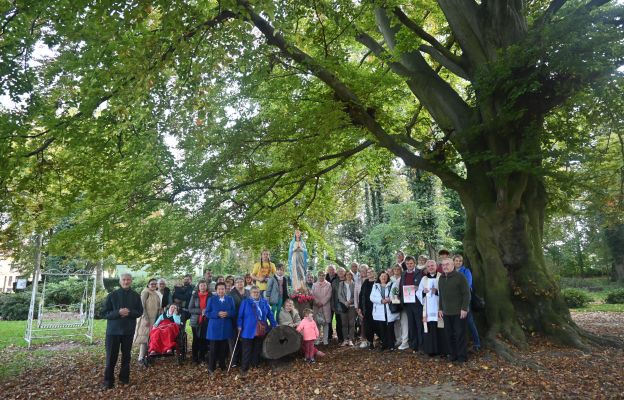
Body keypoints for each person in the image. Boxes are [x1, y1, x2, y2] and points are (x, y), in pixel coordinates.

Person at [102, 273, 143, 390]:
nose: (126, 282)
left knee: (126, 357)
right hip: (113, 331)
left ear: (131, 281)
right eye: (124, 280)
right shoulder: (112, 295)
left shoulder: (135, 296)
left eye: (128, 280)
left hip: (128, 331)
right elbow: (104, 313)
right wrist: (118, 313)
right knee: (111, 357)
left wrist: (129, 312)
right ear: (120, 281)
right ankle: (108, 381)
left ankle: (124, 378)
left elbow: (140, 312)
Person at [237, 286, 277, 377]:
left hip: (261, 329)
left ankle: (255, 365)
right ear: (250, 293)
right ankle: (244, 368)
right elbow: (240, 316)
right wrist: (239, 325)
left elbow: (270, 315)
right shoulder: (245, 302)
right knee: (247, 350)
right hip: (248, 330)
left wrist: (274, 324)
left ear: (260, 293)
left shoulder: (264, 302)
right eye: (254, 292)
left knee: (257, 348)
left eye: (257, 292)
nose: (256, 294)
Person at [438, 259, 470, 362]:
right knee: (449, 334)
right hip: (446, 313)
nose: (445, 266)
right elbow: (441, 295)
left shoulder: (460, 277)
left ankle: (462, 356)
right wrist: (440, 309)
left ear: (452, 265)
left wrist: (464, 308)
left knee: (460, 335)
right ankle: (453, 355)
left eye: (447, 264)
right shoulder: (441, 278)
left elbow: (466, 294)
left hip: (459, 312)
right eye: (443, 265)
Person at [417, 260, 448, 357]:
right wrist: (423, 292)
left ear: (436, 266)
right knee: (430, 329)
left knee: (441, 329)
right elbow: (418, 292)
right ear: (426, 268)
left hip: (440, 307)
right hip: (428, 308)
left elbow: (447, 291)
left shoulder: (442, 277)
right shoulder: (424, 279)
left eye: (432, 265)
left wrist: (438, 292)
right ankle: (431, 350)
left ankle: (443, 351)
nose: (430, 267)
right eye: (428, 266)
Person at [205, 282, 236, 373]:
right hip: (214, 328)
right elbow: (207, 313)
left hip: (226, 326)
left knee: (223, 348)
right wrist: (217, 314)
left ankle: (222, 365)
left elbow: (234, 312)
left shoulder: (230, 299)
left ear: (225, 289)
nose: (221, 291)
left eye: (222, 289)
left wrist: (228, 313)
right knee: (213, 348)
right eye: (219, 289)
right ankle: (211, 367)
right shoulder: (212, 299)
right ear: (216, 290)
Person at [453, 254, 481, 351]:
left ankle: (477, 343)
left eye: (460, 261)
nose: (458, 262)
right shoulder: (451, 271)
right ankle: (461, 343)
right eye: (456, 260)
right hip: (454, 301)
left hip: (465, 299)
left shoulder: (466, 271)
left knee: (469, 321)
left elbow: (468, 285)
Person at [399, 255, 426, 352]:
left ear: (414, 264)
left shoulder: (420, 273)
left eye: (411, 263)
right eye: (407, 263)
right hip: (407, 303)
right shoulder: (403, 274)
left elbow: (424, 286)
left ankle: (421, 346)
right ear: (405, 264)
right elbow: (400, 287)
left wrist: (418, 287)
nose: (409, 265)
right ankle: (413, 345)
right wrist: (401, 300)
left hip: (417, 302)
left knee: (419, 324)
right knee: (411, 324)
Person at [133, 278, 161, 364]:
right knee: (144, 338)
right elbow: (142, 306)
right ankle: (141, 358)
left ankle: (148, 356)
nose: (153, 285)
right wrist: (145, 318)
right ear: (148, 284)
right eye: (152, 284)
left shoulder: (156, 293)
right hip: (146, 318)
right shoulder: (145, 292)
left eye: (155, 284)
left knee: (151, 338)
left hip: (154, 319)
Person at [370, 271, 399, 351]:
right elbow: (371, 297)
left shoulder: (393, 284)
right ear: (379, 277)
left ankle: (391, 345)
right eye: (382, 276)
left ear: (388, 277)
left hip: (389, 310)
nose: (383, 277)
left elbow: (396, 295)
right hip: (379, 312)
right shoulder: (375, 286)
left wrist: (390, 299)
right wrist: (381, 301)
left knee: (390, 329)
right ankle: (384, 344)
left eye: (385, 276)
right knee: (381, 329)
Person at [188, 280, 211, 364]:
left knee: (204, 339)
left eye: (204, 285)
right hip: (196, 320)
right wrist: (201, 311)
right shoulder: (194, 296)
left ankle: (202, 357)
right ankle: (194, 358)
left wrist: (207, 311)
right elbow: (190, 308)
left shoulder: (210, 295)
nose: (203, 287)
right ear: (198, 287)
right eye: (201, 285)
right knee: (196, 339)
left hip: (207, 320)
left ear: (207, 286)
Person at [229, 277, 248, 368]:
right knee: (234, 341)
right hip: (234, 320)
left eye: (241, 281)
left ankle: (244, 359)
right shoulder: (231, 294)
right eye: (237, 282)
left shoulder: (248, 292)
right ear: (235, 284)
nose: (240, 283)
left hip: (247, 321)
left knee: (245, 341)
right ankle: (235, 361)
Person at [390, 264, 409, 350]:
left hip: (403, 304)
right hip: (394, 304)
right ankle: (398, 339)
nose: (397, 270)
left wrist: (399, 302)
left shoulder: (403, 278)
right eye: (395, 269)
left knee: (404, 323)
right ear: (393, 270)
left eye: (398, 269)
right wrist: (395, 302)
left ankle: (405, 341)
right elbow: (392, 293)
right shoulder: (390, 279)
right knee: (396, 324)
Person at [312, 270, 332, 345]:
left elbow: (329, 295)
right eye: (320, 275)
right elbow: (312, 294)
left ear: (325, 276)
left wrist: (322, 302)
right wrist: (317, 302)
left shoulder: (328, 284)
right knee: (317, 323)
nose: (321, 276)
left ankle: (325, 340)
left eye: (323, 275)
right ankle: (317, 339)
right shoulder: (314, 285)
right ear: (318, 276)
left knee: (326, 323)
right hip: (316, 306)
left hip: (325, 306)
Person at [358, 269, 376, 349]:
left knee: (377, 324)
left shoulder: (377, 282)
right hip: (366, 308)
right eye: (368, 272)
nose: (369, 273)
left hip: (376, 307)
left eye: (371, 272)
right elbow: (361, 295)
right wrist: (360, 308)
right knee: (368, 325)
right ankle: (370, 342)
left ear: (374, 273)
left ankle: (382, 340)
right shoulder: (365, 283)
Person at [338, 271, 356, 346]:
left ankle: (351, 339)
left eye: (350, 275)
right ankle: (345, 339)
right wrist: (345, 302)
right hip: (343, 306)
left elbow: (356, 295)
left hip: (352, 306)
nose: (349, 276)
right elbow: (339, 295)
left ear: (352, 276)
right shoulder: (341, 284)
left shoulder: (355, 284)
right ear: (345, 276)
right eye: (347, 275)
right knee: (344, 323)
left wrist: (350, 301)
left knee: (352, 323)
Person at [330, 267, 346, 343]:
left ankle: (347, 337)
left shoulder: (348, 280)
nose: (340, 272)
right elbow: (332, 295)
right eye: (339, 271)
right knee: (339, 321)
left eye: (342, 271)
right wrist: (333, 305)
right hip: (338, 305)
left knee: (346, 321)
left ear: (344, 272)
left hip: (347, 304)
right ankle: (340, 338)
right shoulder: (334, 282)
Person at [325, 265, 338, 341]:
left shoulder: (338, 277)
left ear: (335, 270)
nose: (331, 271)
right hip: (328, 302)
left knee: (338, 319)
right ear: (327, 270)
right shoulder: (325, 277)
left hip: (336, 301)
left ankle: (339, 336)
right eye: (330, 270)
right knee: (328, 319)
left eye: (333, 270)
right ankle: (329, 335)